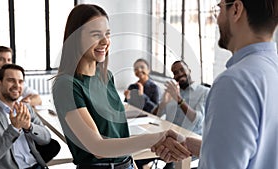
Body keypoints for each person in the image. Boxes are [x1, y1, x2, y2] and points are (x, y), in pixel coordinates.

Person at [52, 4, 188, 169]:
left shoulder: (106, 76)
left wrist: (131, 162)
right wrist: (156, 138)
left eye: (107, 34)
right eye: (96, 35)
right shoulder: (66, 85)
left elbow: (118, 132)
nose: (105, 41)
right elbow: (97, 147)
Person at [152, 0, 278, 168]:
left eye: (219, 9)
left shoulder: (234, 82)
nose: (217, 19)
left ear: (236, 10)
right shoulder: (271, 68)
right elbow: (248, 151)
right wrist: (188, 143)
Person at [0, 64, 54, 169]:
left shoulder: (26, 108)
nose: (17, 85)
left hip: (36, 165)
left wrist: (29, 127)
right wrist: (14, 128)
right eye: (11, 80)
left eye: (20, 81)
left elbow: (46, 138)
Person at [0, 46, 42, 112]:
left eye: (9, 60)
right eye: (1, 59)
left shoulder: (17, 83)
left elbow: (38, 99)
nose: (6, 63)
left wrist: (27, 103)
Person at [154, 60, 209, 136]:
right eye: (175, 73)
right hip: (169, 136)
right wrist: (163, 103)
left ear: (189, 71)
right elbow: (155, 116)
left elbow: (197, 121)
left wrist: (179, 99)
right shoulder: (171, 91)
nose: (179, 74)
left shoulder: (204, 92)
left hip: (190, 138)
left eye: (182, 70)